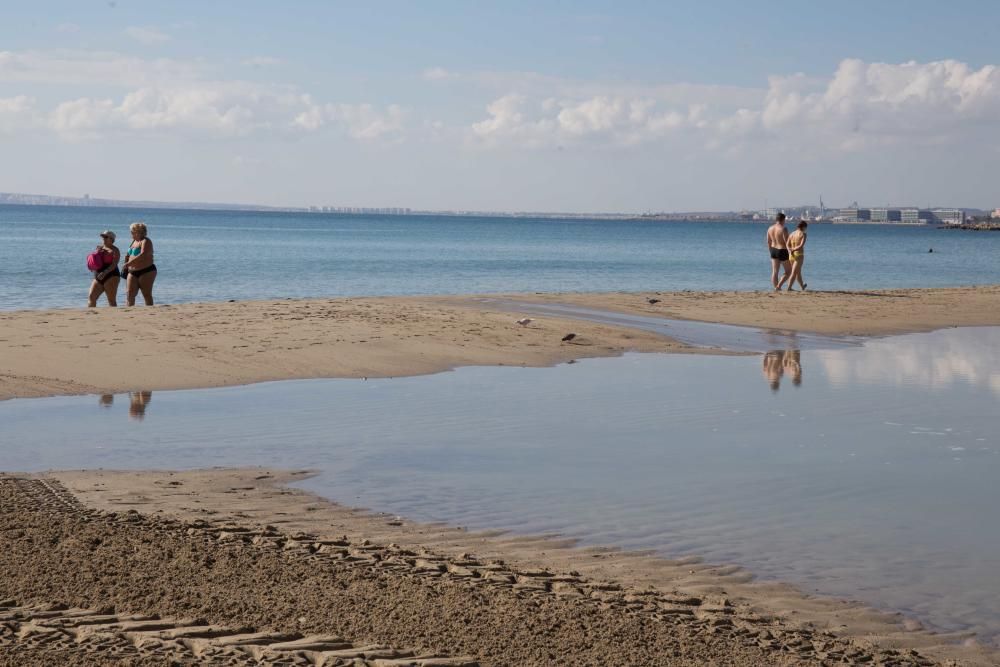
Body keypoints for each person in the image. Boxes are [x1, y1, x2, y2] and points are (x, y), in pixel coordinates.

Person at [122, 222, 157, 306]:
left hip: (146, 271)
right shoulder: (133, 241)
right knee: (129, 294)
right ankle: (130, 312)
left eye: (132, 231)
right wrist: (125, 264)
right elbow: (129, 255)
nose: (131, 233)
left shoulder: (145, 241)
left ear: (138, 232)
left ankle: (149, 313)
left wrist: (129, 263)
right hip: (132, 271)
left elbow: (143, 254)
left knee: (146, 294)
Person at [88, 230, 121, 307]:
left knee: (111, 300)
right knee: (91, 297)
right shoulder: (99, 248)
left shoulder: (115, 250)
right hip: (98, 275)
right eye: (102, 237)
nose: (103, 238)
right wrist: (92, 266)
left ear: (112, 239)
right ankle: (90, 317)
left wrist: (105, 272)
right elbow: (96, 261)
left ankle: (115, 317)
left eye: (106, 237)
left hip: (111, 275)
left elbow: (114, 264)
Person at [766, 212, 792, 290]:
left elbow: (768, 241)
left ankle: (776, 288)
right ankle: (778, 286)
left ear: (776, 219)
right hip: (782, 250)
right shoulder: (783, 228)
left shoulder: (770, 228)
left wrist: (770, 251)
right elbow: (787, 242)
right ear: (783, 220)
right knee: (789, 271)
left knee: (775, 271)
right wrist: (791, 252)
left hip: (773, 250)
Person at [786, 221, 808, 291]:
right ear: (804, 227)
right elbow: (801, 245)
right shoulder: (803, 234)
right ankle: (789, 288)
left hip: (791, 255)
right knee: (794, 272)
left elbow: (787, 244)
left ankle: (802, 287)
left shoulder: (792, 234)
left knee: (798, 272)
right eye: (806, 227)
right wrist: (793, 250)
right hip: (798, 254)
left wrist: (790, 250)